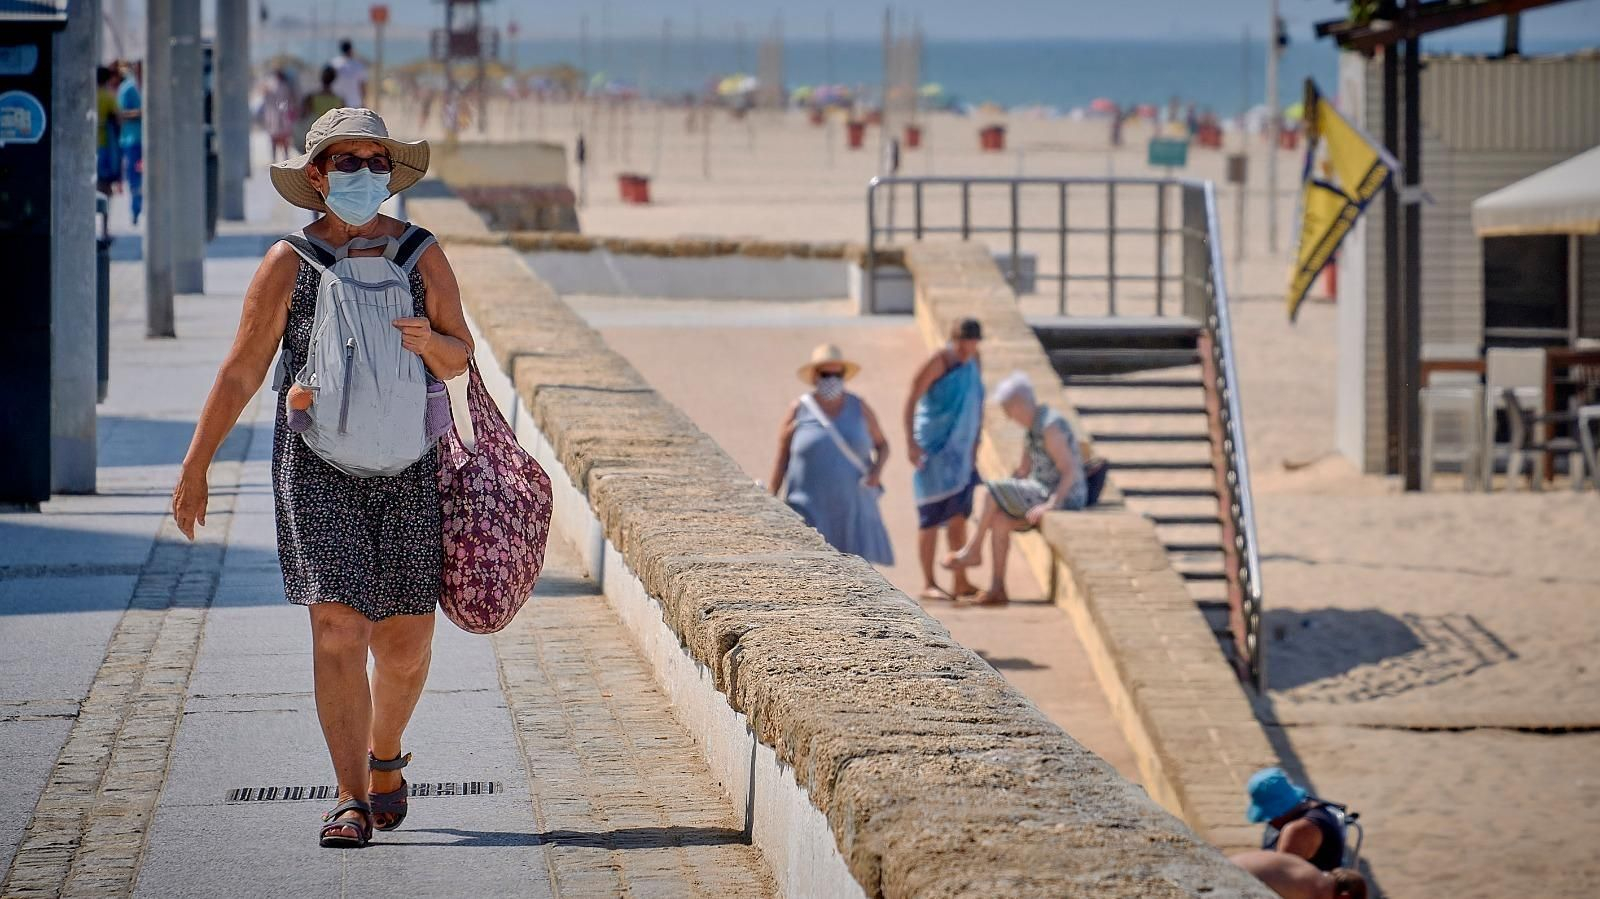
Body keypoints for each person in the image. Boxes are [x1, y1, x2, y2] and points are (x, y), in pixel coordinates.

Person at [171, 108, 471, 849]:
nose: (364, 172)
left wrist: (431, 339)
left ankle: (384, 755)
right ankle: (348, 796)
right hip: (316, 467)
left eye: (376, 160)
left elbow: (460, 356)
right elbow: (243, 367)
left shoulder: (422, 254)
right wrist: (196, 463)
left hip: (408, 467)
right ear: (315, 174)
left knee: (404, 642)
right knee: (338, 622)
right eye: (347, 161)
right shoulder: (287, 262)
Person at [944, 371, 1086, 605]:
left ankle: (973, 550)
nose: (1009, 417)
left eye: (1008, 410)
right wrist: (1006, 492)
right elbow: (1021, 471)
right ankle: (998, 588)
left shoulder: (1050, 426)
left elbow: (1070, 471)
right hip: (1040, 490)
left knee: (990, 491)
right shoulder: (1033, 428)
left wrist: (1051, 505)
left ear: (1019, 405)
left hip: (1063, 496)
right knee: (999, 520)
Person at [770, 344, 894, 566]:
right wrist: (770, 499)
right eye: (827, 374)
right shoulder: (799, 410)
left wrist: (876, 472)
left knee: (857, 578)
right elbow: (782, 459)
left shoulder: (860, 407)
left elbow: (883, 445)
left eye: (838, 374)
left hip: (852, 510)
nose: (833, 379)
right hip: (808, 510)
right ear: (815, 376)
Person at [905, 318, 984, 602]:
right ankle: (929, 582)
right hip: (933, 449)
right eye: (962, 342)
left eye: (971, 342)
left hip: (961, 455)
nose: (966, 348)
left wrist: (976, 442)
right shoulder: (939, 362)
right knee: (929, 517)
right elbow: (913, 396)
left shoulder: (975, 362)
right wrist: (911, 443)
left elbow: (977, 402)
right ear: (953, 339)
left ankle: (960, 580)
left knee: (959, 518)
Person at [1247, 767, 1350, 873]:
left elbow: (1281, 877)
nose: (1268, 821)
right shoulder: (1306, 805)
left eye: (1269, 816)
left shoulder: (1299, 830)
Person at [1229, 852, 1366, 899]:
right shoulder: (1318, 892)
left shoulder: (1313, 872)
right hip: (1228, 886)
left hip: (1225, 869)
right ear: (1345, 897)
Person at [116, 62, 143, 223]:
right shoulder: (127, 88)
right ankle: (136, 209)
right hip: (132, 140)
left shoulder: (152, 84)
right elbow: (120, 114)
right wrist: (140, 113)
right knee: (135, 177)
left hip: (148, 141)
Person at [95, 65, 122, 196]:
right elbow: (118, 118)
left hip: (89, 143)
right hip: (105, 142)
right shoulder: (108, 96)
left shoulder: (88, 96)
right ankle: (105, 213)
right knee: (105, 179)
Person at [261, 68, 298, 162]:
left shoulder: (277, 85)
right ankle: (282, 159)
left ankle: (277, 160)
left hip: (278, 116)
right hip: (278, 116)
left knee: (279, 140)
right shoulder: (283, 85)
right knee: (281, 140)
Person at [329, 39, 367, 109]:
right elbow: (362, 86)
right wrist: (363, 102)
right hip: (354, 103)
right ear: (351, 49)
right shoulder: (358, 65)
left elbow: (329, 83)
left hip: (337, 103)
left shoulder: (334, 64)